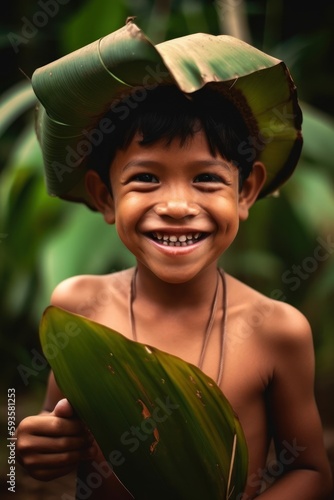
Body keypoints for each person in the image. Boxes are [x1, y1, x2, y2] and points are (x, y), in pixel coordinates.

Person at [16, 20, 333, 499]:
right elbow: (51, 434)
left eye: (206, 178)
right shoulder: (78, 306)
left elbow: (312, 472)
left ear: (246, 191)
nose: (178, 205)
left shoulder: (276, 330)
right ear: (104, 197)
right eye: (146, 179)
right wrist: (28, 451)